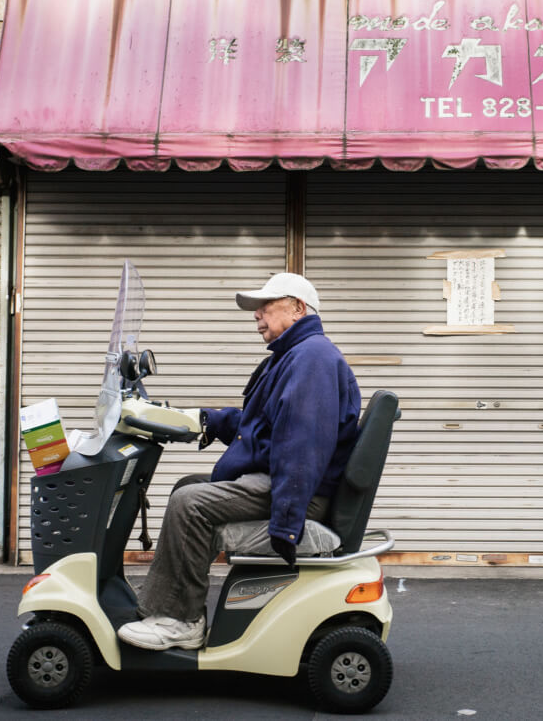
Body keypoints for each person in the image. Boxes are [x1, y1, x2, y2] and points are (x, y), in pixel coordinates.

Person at [118, 272, 362, 651]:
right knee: (188, 486)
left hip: (300, 492)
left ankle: (182, 620)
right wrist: (205, 420)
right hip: (283, 479)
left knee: (189, 503)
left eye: (266, 306)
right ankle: (162, 602)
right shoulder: (292, 356)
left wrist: (285, 523)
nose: (257, 315)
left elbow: (302, 446)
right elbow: (263, 426)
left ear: (298, 308)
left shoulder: (311, 358)